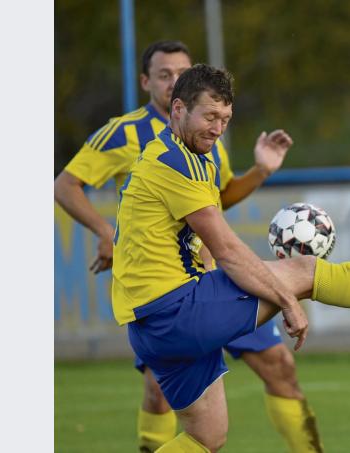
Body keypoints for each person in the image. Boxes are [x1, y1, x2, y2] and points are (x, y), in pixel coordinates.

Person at [113, 63, 350, 452]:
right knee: (305, 271)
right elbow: (228, 250)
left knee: (207, 437)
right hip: (174, 311)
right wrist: (288, 299)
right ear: (178, 109)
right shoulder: (173, 162)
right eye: (210, 116)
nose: (218, 128)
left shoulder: (186, 154)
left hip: (153, 324)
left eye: (225, 119)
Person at [54, 41, 323, 453]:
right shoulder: (125, 132)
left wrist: (262, 170)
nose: (173, 80)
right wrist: (105, 232)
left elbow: (220, 198)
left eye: (181, 72)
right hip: (169, 294)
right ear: (146, 82)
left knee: (279, 367)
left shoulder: (207, 132)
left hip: (219, 277)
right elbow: (65, 186)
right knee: (161, 395)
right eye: (164, 74)